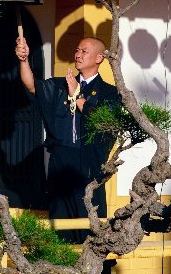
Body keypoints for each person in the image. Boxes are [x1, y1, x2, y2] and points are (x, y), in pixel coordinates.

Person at [15, 35, 119, 245]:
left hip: (88, 161)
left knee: (89, 218)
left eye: (84, 51)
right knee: (60, 217)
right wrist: (23, 60)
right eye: (77, 50)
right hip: (61, 158)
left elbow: (101, 120)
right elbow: (32, 85)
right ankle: (61, 272)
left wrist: (77, 95)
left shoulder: (110, 92)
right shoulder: (61, 84)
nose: (78, 55)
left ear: (99, 58)